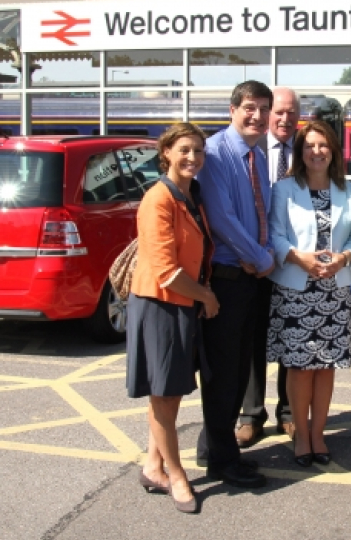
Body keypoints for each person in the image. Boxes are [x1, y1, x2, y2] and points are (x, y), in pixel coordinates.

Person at [127, 122, 218, 514]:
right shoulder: (158, 199)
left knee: (170, 391)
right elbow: (166, 271)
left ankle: (153, 465)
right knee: (163, 394)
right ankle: (177, 475)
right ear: (166, 152)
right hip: (160, 304)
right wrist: (206, 296)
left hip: (182, 303)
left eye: (198, 150)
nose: (192, 157)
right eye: (184, 150)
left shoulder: (191, 195)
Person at [266, 120, 351, 467]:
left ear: (333, 150)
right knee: (301, 367)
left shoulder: (348, 190)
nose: (316, 151)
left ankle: (319, 434)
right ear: (300, 152)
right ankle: (302, 435)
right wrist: (299, 258)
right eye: (309, 146)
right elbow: (275, 235)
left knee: (326, 367)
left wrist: (344, 258)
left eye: (322, 145)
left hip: (334, 290)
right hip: (296, 290)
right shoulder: (285, 188)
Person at [195, 81, 274, 489]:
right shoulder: (214, 153)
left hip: (251, 279)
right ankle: (222, 462)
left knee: (240, 370)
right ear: (232, 110)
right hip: (226, 280)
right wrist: (262, 258)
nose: (257, 116)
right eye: (249, 107)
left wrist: (264, 255)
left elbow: (265, 214)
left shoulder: (259, 155)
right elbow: (222, 219)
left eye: (264, 108)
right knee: (224, 374)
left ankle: (213, 447)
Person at [237, 86, 300, 447]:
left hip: (293, 260)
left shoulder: (307, 151)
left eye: (292, 112)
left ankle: (288, 412)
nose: (284, 118)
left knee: (291, 337)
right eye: (278, 111)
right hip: (255, 261)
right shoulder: (251, 148)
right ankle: (251, 415)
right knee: (253, 338)